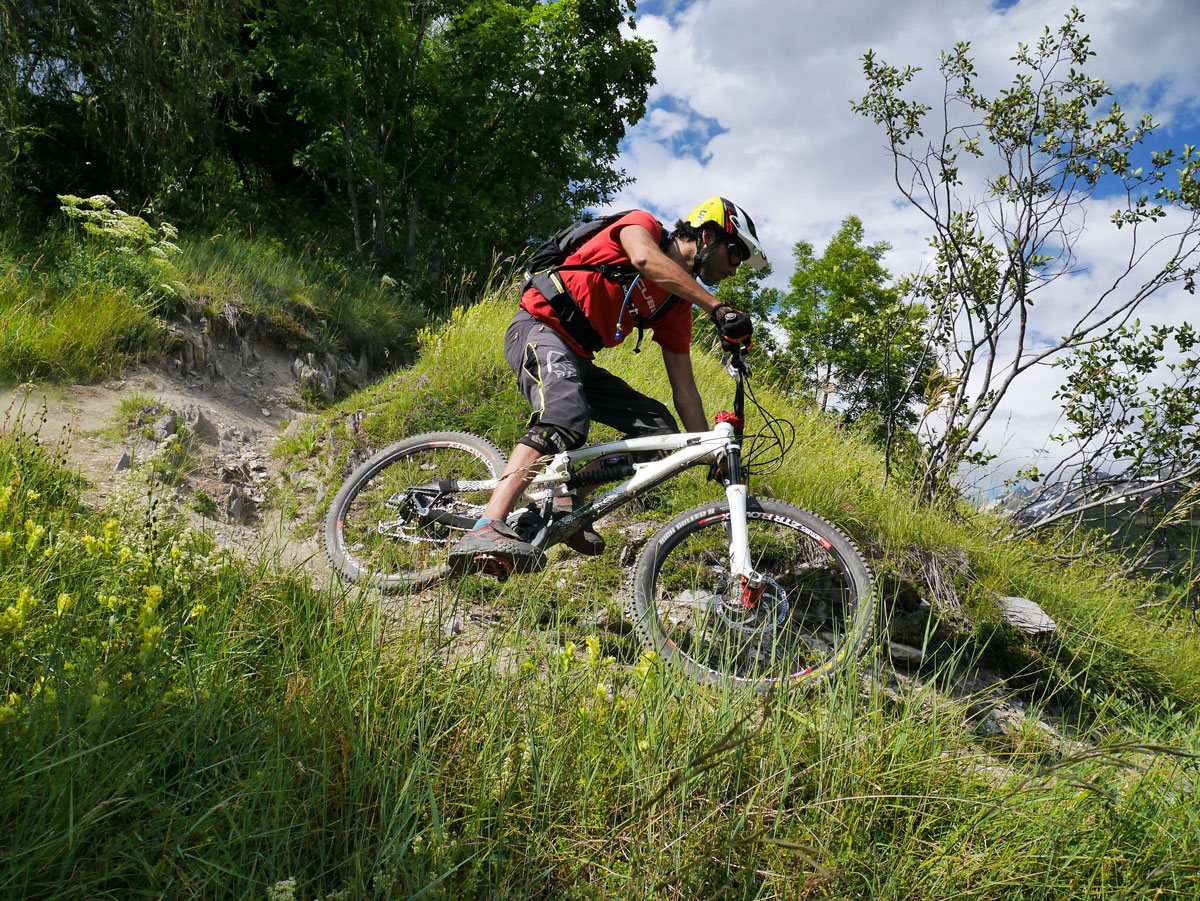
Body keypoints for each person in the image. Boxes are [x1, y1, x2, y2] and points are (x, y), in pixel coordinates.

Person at [448, 196, 768, 574]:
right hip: (539, 328)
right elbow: (645, 260)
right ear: (708, 235)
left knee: (659, 432)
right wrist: (718, 308)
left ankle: (569, 502)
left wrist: (710, 452)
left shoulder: (675, 308)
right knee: (563, 415)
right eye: (735, 256)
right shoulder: (641, 225)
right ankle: (487, 526)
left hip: (580, 357)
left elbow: (685, 391)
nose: (735, 270)